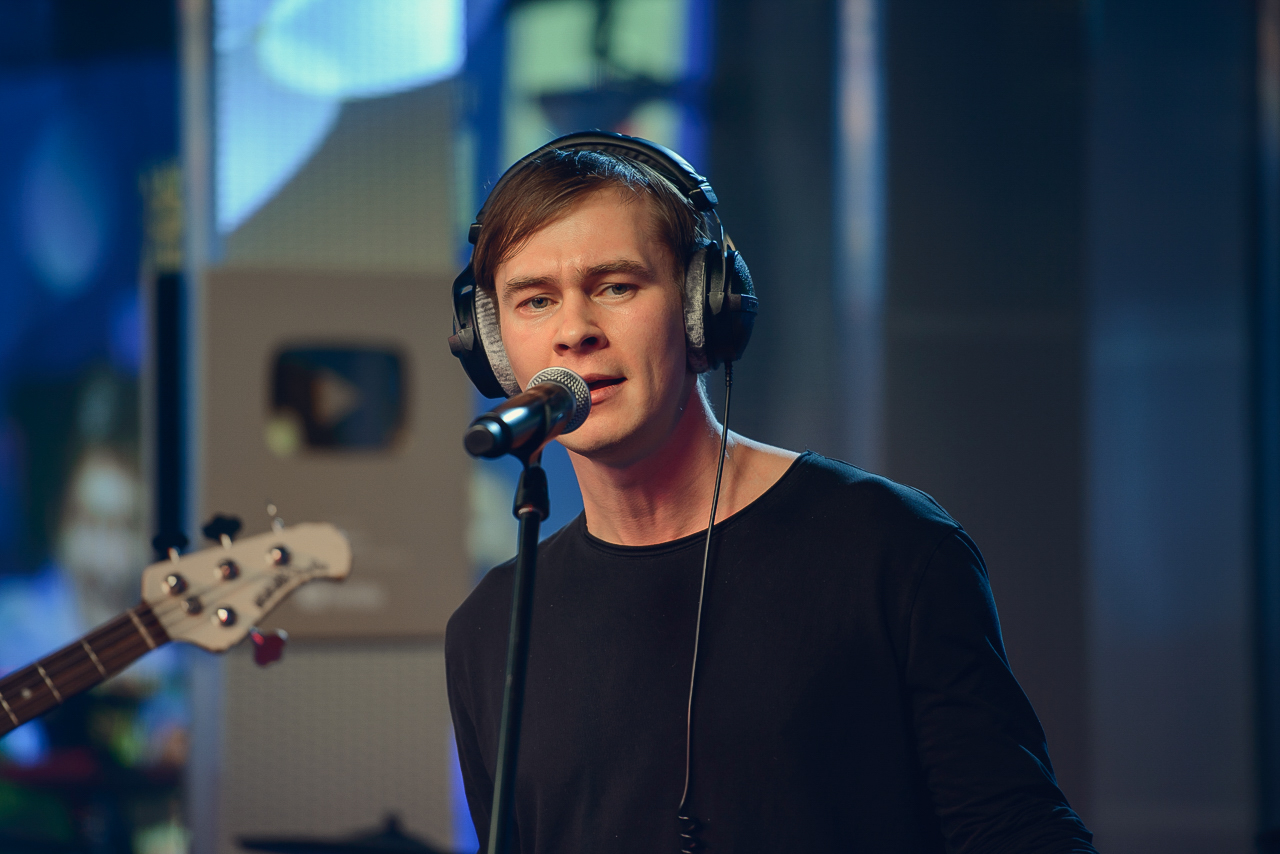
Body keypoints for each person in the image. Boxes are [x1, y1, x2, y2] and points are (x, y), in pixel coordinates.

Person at [445, 133, 1096, 854]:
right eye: (535, 301)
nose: (574, 331)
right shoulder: (490, 626)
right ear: (493, 346)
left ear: (702, 308)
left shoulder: (888, 546)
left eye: (616, 286)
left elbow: (1017, 833)